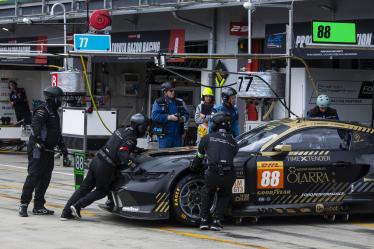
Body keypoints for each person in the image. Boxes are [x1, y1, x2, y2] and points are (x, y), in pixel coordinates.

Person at [60, 113, 149, 220]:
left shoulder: (121, 130)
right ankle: (77, 206)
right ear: (138, 126)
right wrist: (134, 167)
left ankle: (65, 213)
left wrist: (137, 150)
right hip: (105, 166)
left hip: (97, 160)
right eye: (144, 127)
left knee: (83, 189)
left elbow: (119, 145)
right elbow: (122, 153)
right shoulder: (131, 138)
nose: (145, 129)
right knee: (102, 191)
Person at [19, 86, 67, 217]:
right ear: (52, 99)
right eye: (59, 98)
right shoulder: (42, 110)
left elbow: (56, 131)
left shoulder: (54, 112)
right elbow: (35, 128)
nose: (61, 101)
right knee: (34, 176)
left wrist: (62, 146)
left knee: (45, 178)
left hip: (49, 150)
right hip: (38, 149)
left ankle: (39, 206)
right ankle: (23, 205)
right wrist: (38, 141)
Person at [190, 112, 239, 231]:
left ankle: (204, 220)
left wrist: (194, 167)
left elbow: (199, 157)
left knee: (207, 192)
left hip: (212, 172)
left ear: (214, 125)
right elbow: (230, 155)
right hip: (228, 173)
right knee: (225, 194)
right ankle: (217, 221)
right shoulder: (234, 142)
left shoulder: (206, 138)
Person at [151, 81, 189, 148]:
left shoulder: (180, 102)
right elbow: (154, 116)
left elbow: (187, 114)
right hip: (165, 136)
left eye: (174, 90)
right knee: (165, 156)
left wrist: (182, 118)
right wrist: (169, 117)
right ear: (165, 92)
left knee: (177, 156)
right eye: (171, 91)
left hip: (177, 135)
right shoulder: (159, 102)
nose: (173, 92)